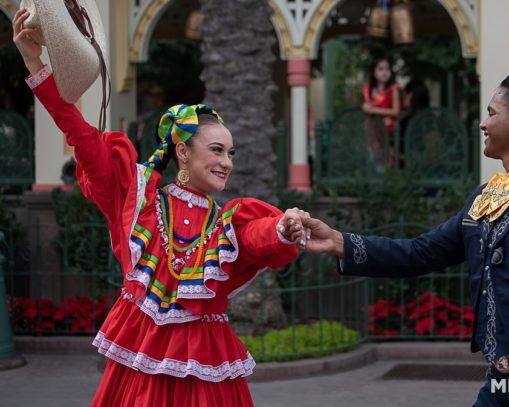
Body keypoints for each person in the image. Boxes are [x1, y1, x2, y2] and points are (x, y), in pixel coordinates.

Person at [13, 8, 308, 406]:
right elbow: (80, 136)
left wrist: (283, 226)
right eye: (217, 150)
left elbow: (255, 237)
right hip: (141, 366)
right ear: (182, 152)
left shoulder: (226, 222)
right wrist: (36, 64)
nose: (227, 162)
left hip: (205, 365)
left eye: (231, 153)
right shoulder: (138, 200)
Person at [292, 72, 509, 406]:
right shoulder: (485, 197)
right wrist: (338, 241)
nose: (482, 124)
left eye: (491, 113)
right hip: (500, 385)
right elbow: (420, 253)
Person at [362, 56, 400, 166]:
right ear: (374, 71)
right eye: (380, 69)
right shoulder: (367, 89)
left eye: (387, 69)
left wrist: (374, 110)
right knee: (372, 156)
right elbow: (365, 107)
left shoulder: (393, 89)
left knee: (387, 156)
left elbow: (396, 111)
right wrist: (365, 107)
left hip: (388, 127)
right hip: (371, 127)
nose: (384, 72)